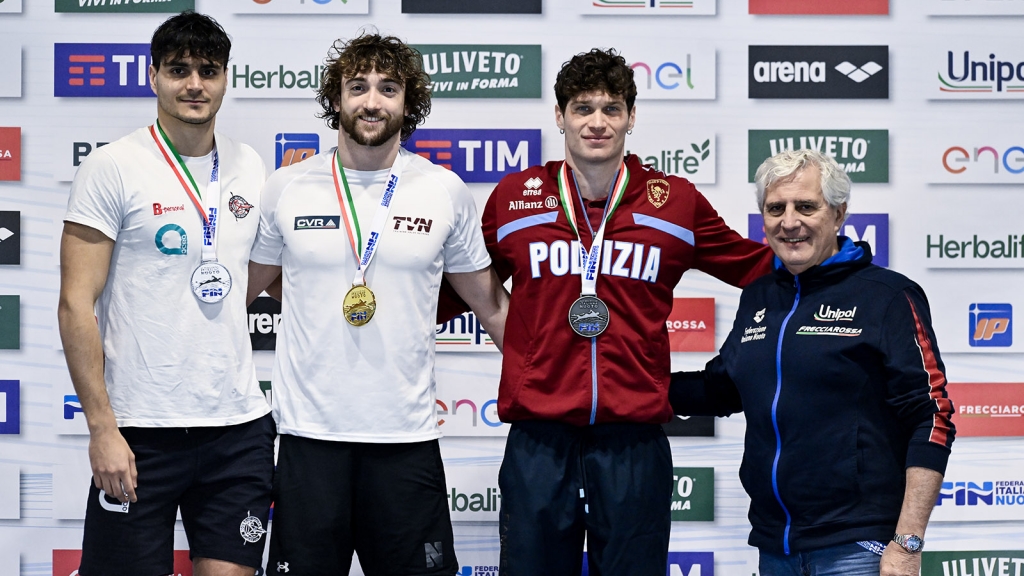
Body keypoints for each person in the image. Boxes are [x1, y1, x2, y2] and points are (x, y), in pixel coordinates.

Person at [438, 48, 774, 575]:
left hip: (632, 442)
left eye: (611, 108)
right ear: (560, 115)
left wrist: (841, 268)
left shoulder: (674, 201)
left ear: (631, 117)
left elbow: (756, 268)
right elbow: (457, 290)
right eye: (582, 108)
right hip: (538, 440)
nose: (597, 122)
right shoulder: (515, 198)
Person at [246, 32, 508, 576]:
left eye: (388, 88)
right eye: (358, 86)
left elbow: (491, 307)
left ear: (409, 102)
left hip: (405, 440)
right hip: (309, 440)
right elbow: (243, 292)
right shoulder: (286, 187)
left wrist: (551, 392)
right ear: (335, 98)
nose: (372, 101)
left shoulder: (444, 190)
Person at [669, 149, 955, 576]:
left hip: (859, 548)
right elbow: (723, 388)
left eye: (806, 206)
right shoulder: (760, 295)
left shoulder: (888, 296)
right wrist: (623, 386)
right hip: (775, 548)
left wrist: (907, 543)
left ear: (838, 214)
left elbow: (932, 417)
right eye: (775, 208)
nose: (789, 222)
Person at [57, 11, 273, 576]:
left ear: (226, 79)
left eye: (209, 70)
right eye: (179, 70)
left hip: (237, 429)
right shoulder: (111, 166)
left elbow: (259, 277)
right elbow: (75, 303)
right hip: (138, 430)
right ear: (152, 76)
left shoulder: (250, 166)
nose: (195, 84)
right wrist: (102, 428)